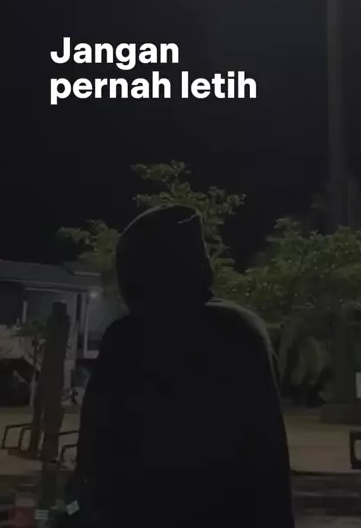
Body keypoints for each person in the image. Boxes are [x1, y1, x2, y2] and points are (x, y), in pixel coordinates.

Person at [69, 204, 294, 527]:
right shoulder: (244, 331)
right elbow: (269, 461)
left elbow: (91, 465)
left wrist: (62, 513)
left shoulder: (128, 339)